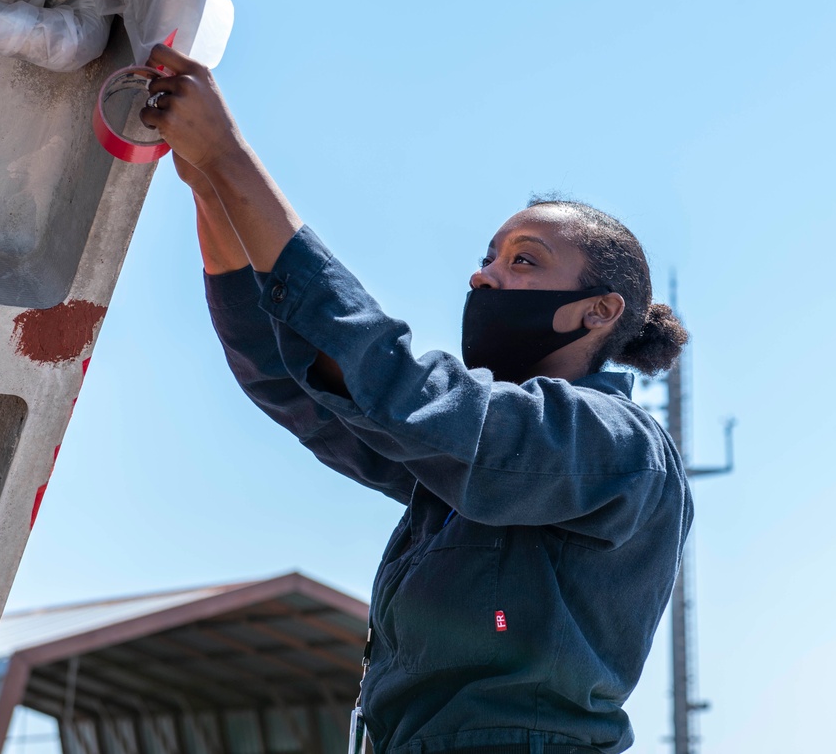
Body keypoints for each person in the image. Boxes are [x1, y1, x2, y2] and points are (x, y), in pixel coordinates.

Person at [140, 44, 693, 754]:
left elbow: (395, 386)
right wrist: (211, 186)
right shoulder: (469, 469)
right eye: (488, 255)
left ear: (597, 311)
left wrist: (231, 156)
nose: (485, 276)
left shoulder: (614, 445)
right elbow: (297, 383)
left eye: (524, 259)